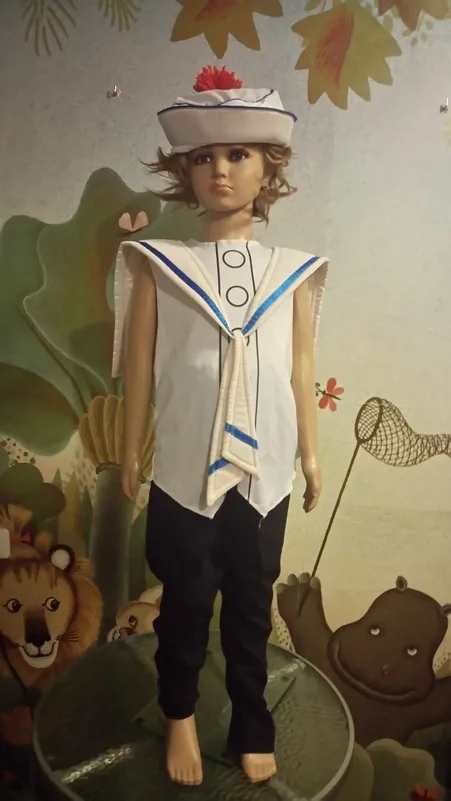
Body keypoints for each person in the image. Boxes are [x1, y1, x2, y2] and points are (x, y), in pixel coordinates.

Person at [112, 65, 329, 787]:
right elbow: (139, 368)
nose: (220, 171)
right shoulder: (160, 266)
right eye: (203, 157)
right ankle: (177, 710)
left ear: (269, 168)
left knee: (250, 603)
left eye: (238, 154)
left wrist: (311, 453)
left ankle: (251, 722)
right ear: (186, 171)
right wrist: (129, 449)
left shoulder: (293, 272)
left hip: (265, 474)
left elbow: (300, 370)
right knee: (183, 599)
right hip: (184, 469)